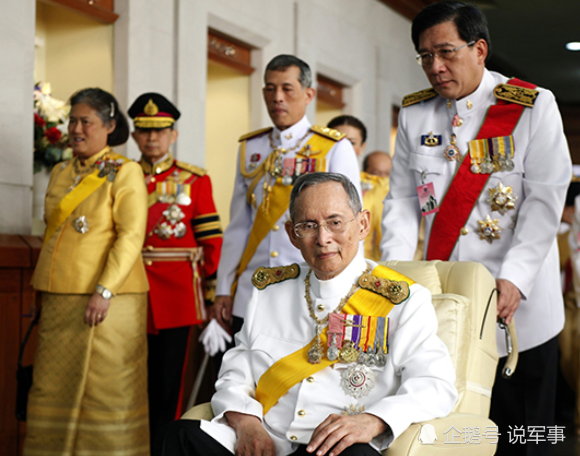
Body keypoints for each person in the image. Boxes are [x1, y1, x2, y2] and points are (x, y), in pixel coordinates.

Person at [380, 2, 572, 455]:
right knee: (457, 428)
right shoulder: (414, 115)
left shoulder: (531, 106)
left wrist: (515, 279)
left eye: (446, 52)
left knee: (523, 433)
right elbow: (403, 203)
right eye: (425, 57)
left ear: (479, 49)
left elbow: (545, 201)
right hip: (446, 303)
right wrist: (394, 274)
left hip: (518, 306)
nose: (436, 67)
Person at [154, 172, 457, 456]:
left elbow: (436, 385)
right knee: (177, 437)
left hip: (331, 447)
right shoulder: (269, 290)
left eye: (335, 222)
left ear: (362, 224)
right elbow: (237, 369)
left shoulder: (402, 299)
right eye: (308, 225)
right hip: (265, 440)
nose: (323, 238)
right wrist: (246, 422)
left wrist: (374, 420)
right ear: (291, 234)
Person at [24, 88, 150, 455]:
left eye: (86, 122)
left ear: (109, 126)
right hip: (60, 297)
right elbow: (52, 236)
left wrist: (105, 289)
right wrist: (40, 293)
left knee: (106, 391)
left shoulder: (125, 172)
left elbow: (130, 236)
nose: (76, 129)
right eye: (73, 121)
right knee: (51, 386)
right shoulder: (62, 170)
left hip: (110, 302)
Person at [212, 55, 361, 336]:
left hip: (309, 288)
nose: (277, 97)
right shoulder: (250, 148)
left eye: (287, 88)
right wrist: (224, 288)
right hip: (251, 291)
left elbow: (350, 227)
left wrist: (348, 292)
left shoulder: (333, 147)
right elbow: (238, 226)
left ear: (308, 95)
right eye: (270, 89)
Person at [128, 93, 223, 443]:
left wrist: (211, 295)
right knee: (123, 380)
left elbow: (212, 242)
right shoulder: (120, 176)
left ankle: (162, 446)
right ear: (135, 136)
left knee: (169, 383)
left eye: (160, 131)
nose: (152, 138)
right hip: (126, 291)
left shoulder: (195, 180)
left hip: (176, 296)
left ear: (174, 135)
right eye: (144, 131)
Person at [361, 151, 392, 260]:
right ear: (365, 172)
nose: (383, 178)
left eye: (387, 173)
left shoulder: (399, 193)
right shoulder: (358, 193)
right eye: (376, 173)